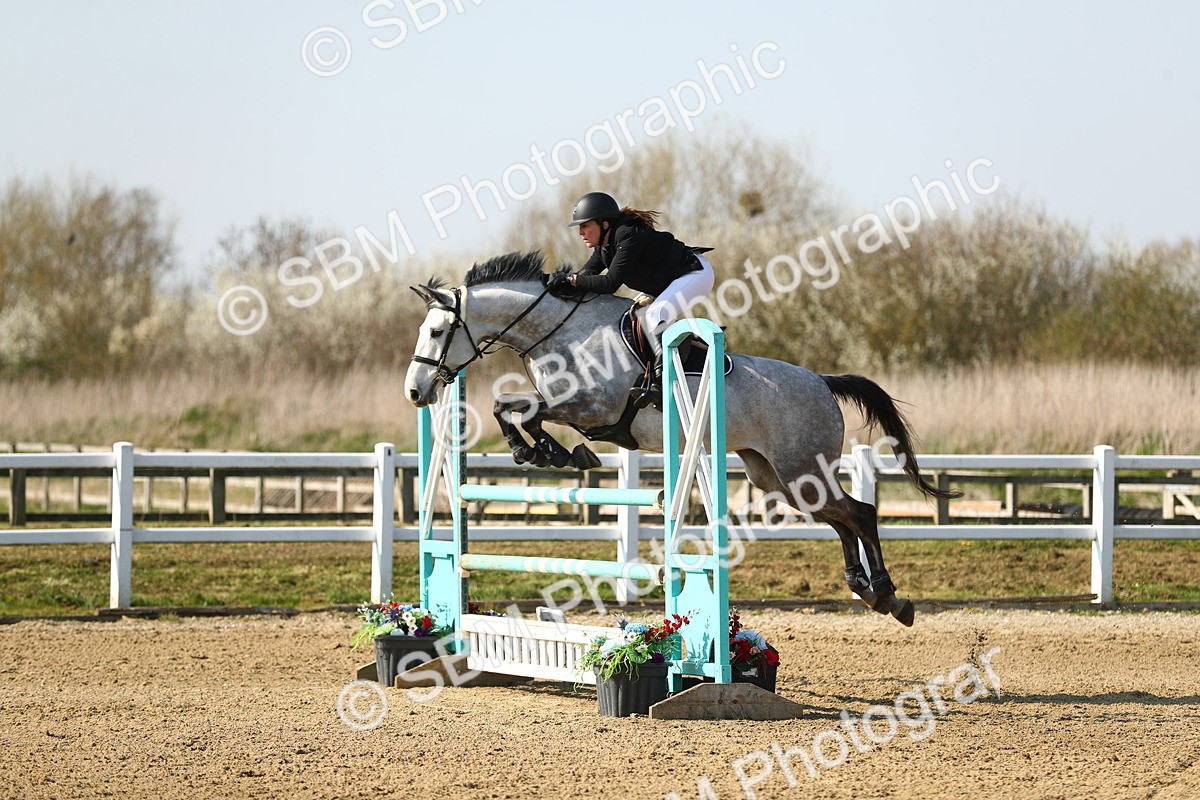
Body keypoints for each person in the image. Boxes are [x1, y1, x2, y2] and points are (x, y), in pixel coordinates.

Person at [554, 191, 715, 409]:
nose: (580, 232)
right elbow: (585, 277)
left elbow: (610, 283)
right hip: (667, 283)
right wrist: (558, 283)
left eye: (585, 226)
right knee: (633, 315)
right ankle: (674, 351)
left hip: (694, 273)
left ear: (604, 224)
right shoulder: (604, 247)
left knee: (655, 314)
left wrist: (573, 280)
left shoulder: (628, 234)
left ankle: (662, 383)